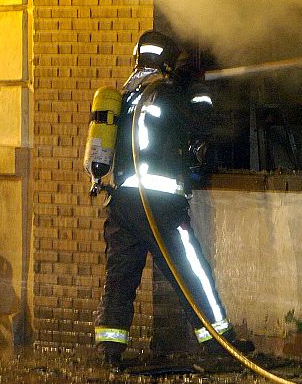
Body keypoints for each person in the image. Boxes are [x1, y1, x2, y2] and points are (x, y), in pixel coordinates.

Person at [92, 30, 251, 367]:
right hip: (160, 204)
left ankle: (109, 351)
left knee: (120, 278)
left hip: (123, 203)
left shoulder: (126, 97)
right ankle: (219, 343)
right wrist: (196, 89)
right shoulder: (166, 95)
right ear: (167, 62)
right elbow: (201, 125)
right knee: (192, 272)